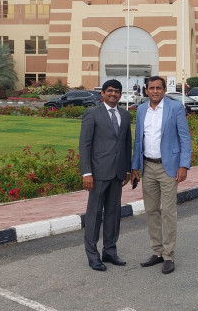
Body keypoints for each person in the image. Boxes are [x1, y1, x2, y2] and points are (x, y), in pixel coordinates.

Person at [131, 76, 192, 274]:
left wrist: (183, 165)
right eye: (151, 88)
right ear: (146, 90)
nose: (155, 91)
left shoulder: (175, 108)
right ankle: (157, 252)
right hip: (148, 167)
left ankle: (169, 255)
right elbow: (138, 140)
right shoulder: (142, 109)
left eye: (158, 88)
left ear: (164, 90)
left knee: (168, 212)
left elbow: (185, 138)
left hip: (169, 168)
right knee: (151, 211)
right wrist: (135, 167)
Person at [79, 79, 132, 271]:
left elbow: (126, 143)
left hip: (118, 173)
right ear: (102, 93)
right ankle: (92, 255)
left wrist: (127, 169)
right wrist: (87, 172)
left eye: (117, 91)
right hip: (98, 173)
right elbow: (85, 144)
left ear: (120, 94)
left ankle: (109, 251)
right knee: (94, 214)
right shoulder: (92, 114)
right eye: (109, 91)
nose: (113, 94)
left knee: (113, 213)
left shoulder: (125, 115)